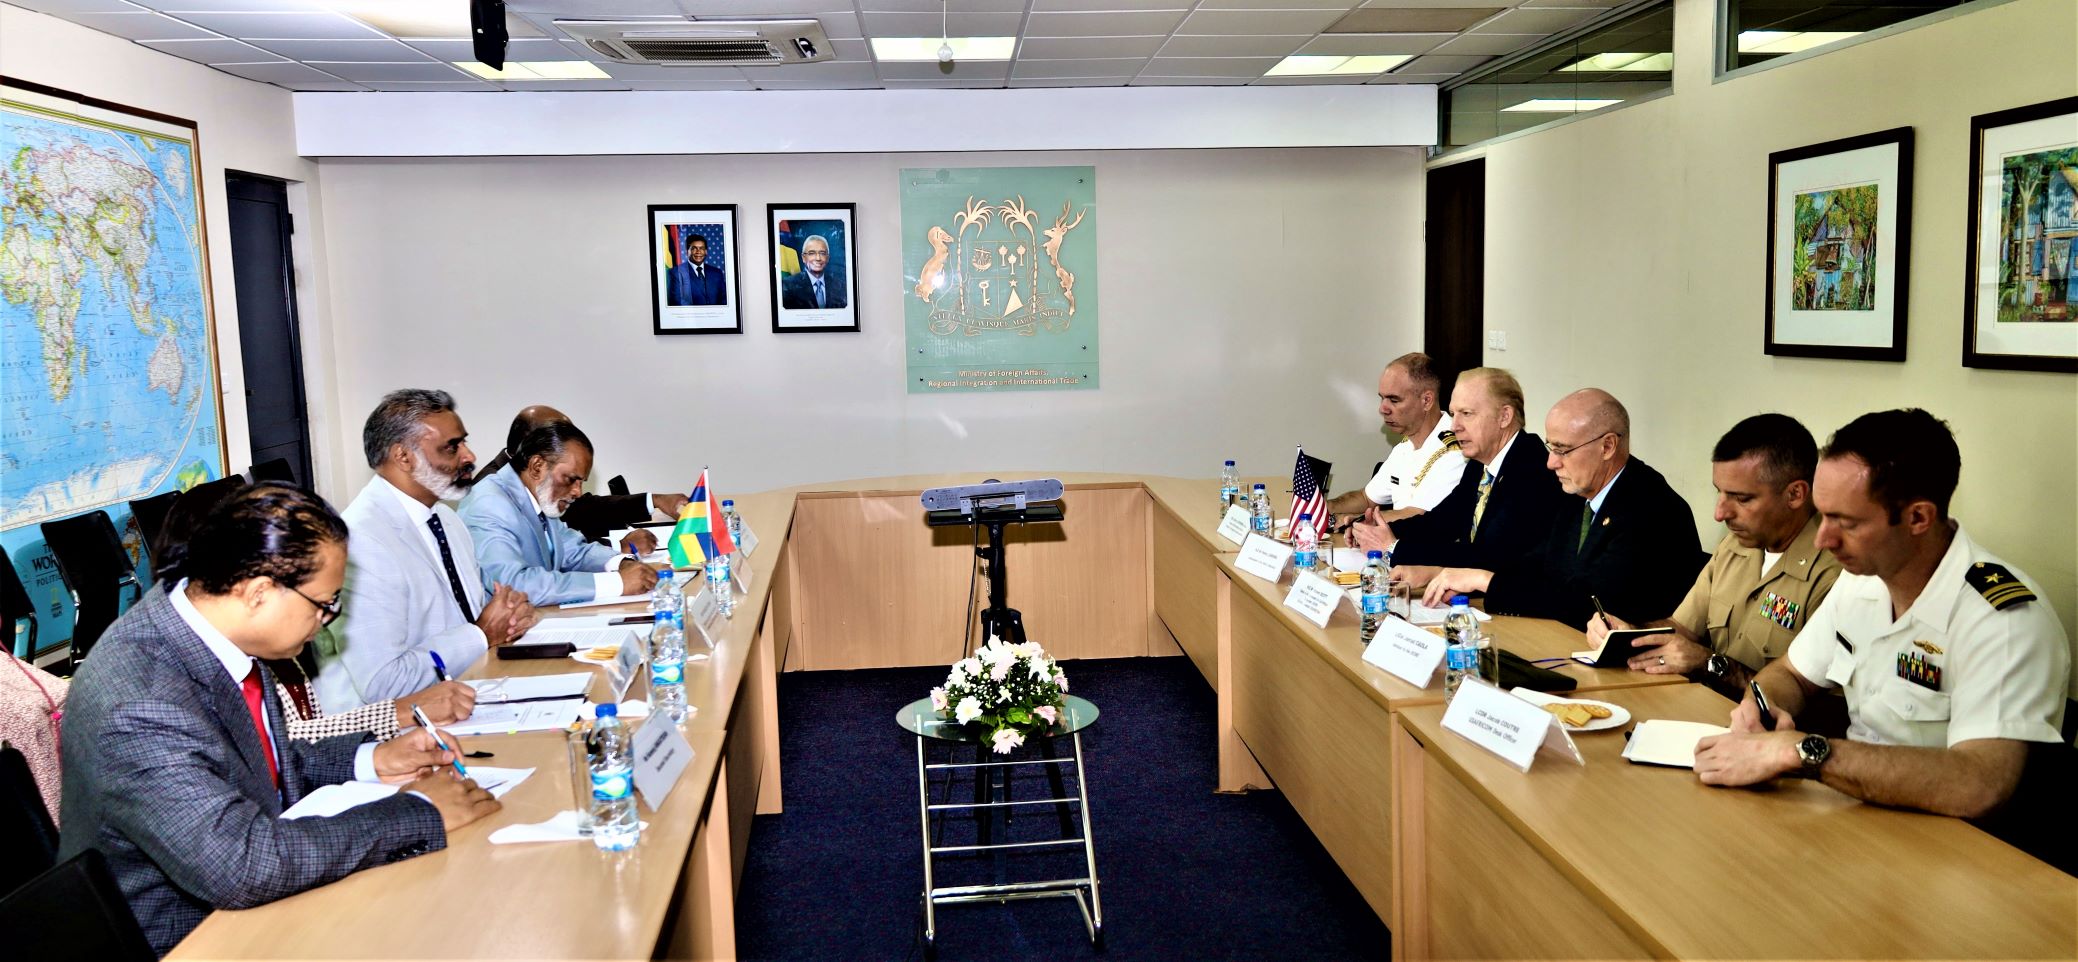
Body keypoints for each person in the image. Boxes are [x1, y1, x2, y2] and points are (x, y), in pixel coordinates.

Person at [57, 483, 500, 955]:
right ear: (259, 592)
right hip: (186, 940)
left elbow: (248, 766)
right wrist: (417, 812)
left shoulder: (213, 628)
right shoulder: (140, 703)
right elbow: (240, 864)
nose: (328, 619)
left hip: (248, 910)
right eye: (324, 604)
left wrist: (374, 759)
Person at [1694, 410, 2070, 866]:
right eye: (1823, 515)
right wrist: (1763, 706)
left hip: (1954, 852)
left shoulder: (2002, 619)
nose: (1823, 539)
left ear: (1917, 518)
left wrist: (1802, 752)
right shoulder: (1862, 581)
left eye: (1846, 522)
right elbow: (1792, 673)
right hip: (1854, 817)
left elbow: (1979, 783)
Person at [150, 459, 487, 731]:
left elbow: (301, 740)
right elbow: (292, 746)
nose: (325, 617)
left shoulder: (271, 639)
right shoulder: (172, 683)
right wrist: (402, 712)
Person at [1587, 413, 1844, 696]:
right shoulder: (1735, 545)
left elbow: (1815, 703)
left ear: (1795, 494)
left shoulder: (1835, 574)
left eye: (1742, 498)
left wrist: (1710, 664)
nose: (1720, 513)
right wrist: (1627, 633)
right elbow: (1681, 628)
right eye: (1719, 493)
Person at [317, 389, 536, 711]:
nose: (470, 456)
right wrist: (482, 634)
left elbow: (466, 618)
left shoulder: (445, 518)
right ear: (403, 457)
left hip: (468, 693)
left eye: (464, 442)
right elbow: (383, 684)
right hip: (394, 728)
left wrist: (508, 618)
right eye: (452, 447)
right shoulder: (362, 542)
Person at [1420, 388, 1702, 626]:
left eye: (1563, 450)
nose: (1551, 462)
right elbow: (1538, 565)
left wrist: (1485, 581)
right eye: (1550, 447)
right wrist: (1458, 576)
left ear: (1607, 447)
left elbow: (1589, 603)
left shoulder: (1651, 508)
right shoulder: (1577, 494)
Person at [1358, 367, 1568, 592]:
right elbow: (1442, 522)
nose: (1454, 426)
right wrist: (1378, 530)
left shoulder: (1532, 467)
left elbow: (1488, 556)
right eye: (1453, 413)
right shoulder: (1481, 463)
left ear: (1504, 416)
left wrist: (1395, 548)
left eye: (1466, 413)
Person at [460, 420, 659, 606]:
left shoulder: (539, 496)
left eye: (581, 482)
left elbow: (574, 551)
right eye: (571, 479)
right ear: (537, 466)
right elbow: (514, 585)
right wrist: (616, 583)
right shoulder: (489, 503)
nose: (578, 492)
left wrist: (621, 563)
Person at [472, 404, 688, 546]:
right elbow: (544, 556)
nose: (576, 491)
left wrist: (655, 500)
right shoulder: (491, 494)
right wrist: (617, 546)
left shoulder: (535, 480)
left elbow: (585, 509)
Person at [1328, 353, 1465, 526]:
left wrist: (1351, 520)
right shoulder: (1404, 447)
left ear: (1426, 401)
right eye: (1382, 398)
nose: (1382, 409)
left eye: (1394, 400)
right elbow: (1366, 498)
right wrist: (1325, 506)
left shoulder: (1455, 450)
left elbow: (1417, 515)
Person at [781, 234, 847, 310]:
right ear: (803, 258)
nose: (818, 258)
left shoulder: (840, 285)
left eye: (822, 253)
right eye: (812, 253)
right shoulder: (788, 285)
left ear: (828, 258)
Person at [666, 232, 726, 307]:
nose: (698, 252)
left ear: (706, 252)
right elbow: (676, 302)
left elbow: (724, 300)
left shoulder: (717, 273)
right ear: (687, 251)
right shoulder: (675, 273)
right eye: (694, 248)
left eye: (702, 248)